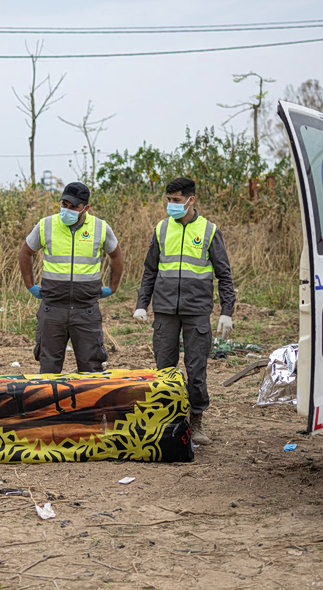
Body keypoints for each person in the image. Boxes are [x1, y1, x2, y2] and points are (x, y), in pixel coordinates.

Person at [133, 177, 235, 445]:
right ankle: (166, 423)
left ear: (191, 200)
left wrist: (227, 311)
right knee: (164, 371)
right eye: (168, 200)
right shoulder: (161, 229)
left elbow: (224, 274)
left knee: (196, 371)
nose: (171, 205)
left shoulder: (209, 231)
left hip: (196, 311)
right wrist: (142, 304)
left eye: (176, 200)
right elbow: (150, 270)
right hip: (165, 310)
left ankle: (196, 421)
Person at [19, 181, 123, 374]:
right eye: (64, 204)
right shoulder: (46, 225)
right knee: (49, 368)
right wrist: (30, 285)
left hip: (86, 311)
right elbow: (26, 252)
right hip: (52, 309)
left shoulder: (100, 227)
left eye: (73, 206)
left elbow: (116, 255)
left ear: (86, 208)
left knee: (91, 368)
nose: (67, 210)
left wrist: (112, 287)